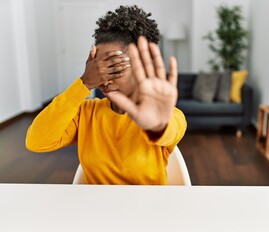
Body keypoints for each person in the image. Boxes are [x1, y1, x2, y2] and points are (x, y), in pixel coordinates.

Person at [26, 5, 187, 185]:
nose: (104, 80)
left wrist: (157, 125)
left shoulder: (169, 115)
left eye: (113, 68)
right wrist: (84, 83)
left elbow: (169, 128)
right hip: (94, 209)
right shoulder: (85, 113)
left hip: (145, 210)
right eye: (98, 69)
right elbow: (36, 141)